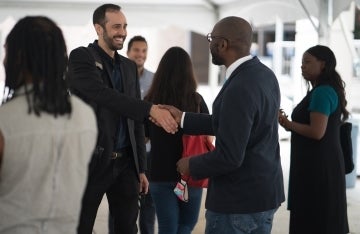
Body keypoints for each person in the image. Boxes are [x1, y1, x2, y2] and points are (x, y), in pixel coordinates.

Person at [164, 16, 285, 234]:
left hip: (238, 202)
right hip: (264, 195)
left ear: (222, 44)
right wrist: (183, 118)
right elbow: (234, 124)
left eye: (211, 38)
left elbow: (230, 156)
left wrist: (191, 164)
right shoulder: (264, 74)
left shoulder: (239, 86)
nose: (209, 44)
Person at [66, 4, 177, 234]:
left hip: (126, 163)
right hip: (92, 162)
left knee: (127, 228)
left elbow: (134, 119)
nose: (123, 32)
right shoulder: (81, 57)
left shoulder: (128, 66)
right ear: (98, 28)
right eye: (116, 26)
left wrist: (141, 168)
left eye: (125, 26)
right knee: (81, 225)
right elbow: (102, 95)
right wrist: (150, 109)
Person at [0, 16, 98, 234]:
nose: (3, 60)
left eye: (6, 51)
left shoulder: (5, 121)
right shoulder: (85, 116)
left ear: (18, 57)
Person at [278, 45, 350, 234]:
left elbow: (317, 132)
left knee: (316, 220)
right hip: (318, 166)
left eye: (308, 62)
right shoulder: (319, 90)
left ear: (323, 64)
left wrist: (287, 123)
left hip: (318, 170)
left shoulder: (322, 92)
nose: (302, 66)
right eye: (302, 62)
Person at [144, 46, 211, 234]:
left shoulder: (151, 102)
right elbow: (209, 133)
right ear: (188, 72)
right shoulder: (196, 101)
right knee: (187, 225)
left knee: (167, 228)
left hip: (159, 173)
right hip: (191, 173)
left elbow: (143, 137)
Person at [127, 35, 156, 234]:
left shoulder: (154, 80)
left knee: (149, 205)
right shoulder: (118, 77)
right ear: (128, 52)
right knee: (123, 206)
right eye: (137, 50)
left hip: (148, 152)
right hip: (126, 151)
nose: (141, 55)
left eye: (144, 51)